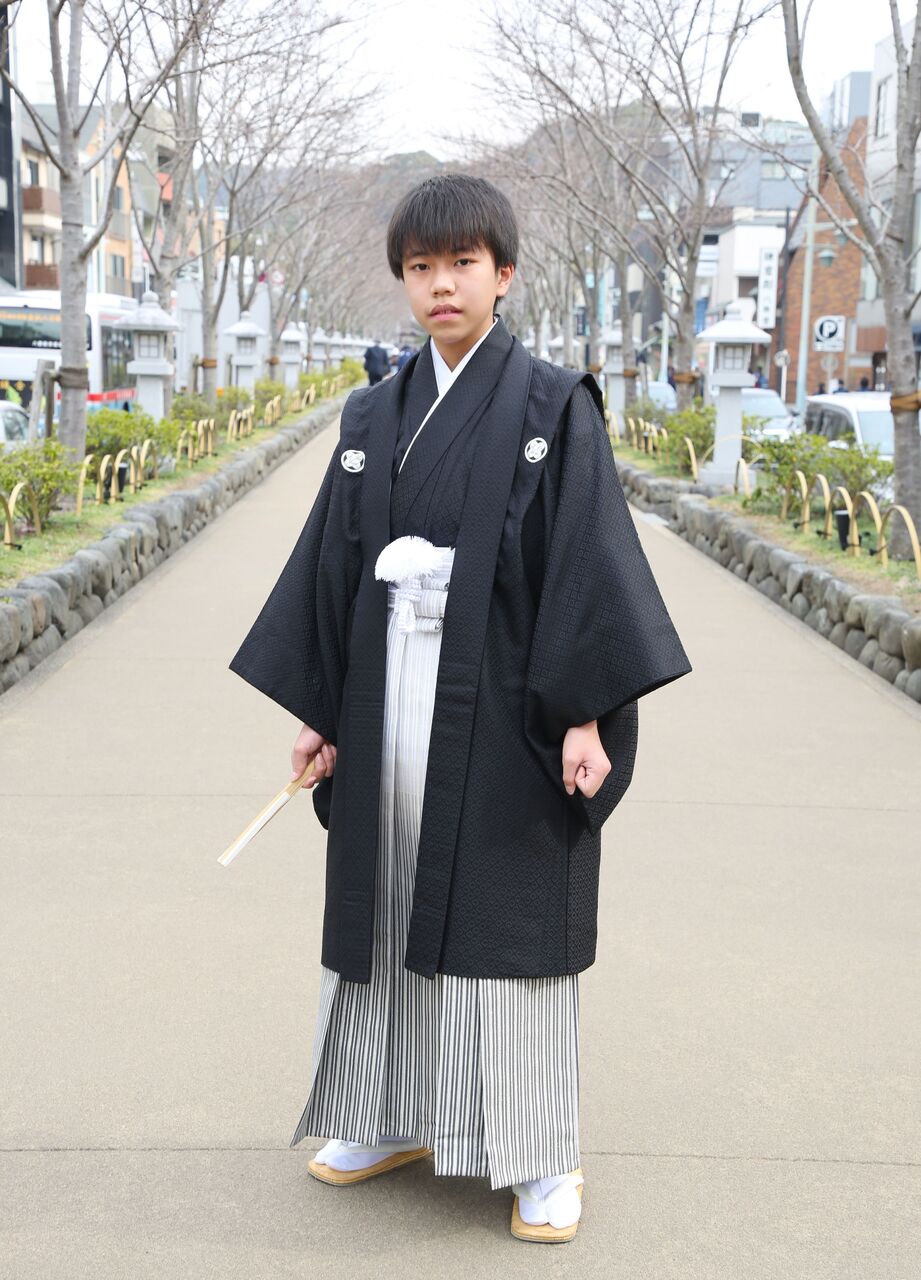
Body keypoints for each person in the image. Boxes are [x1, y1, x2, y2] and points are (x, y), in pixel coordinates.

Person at [229, 174, 691, 1244]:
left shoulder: (552, 406)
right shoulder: (372, 413)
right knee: (387, 895)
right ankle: (386, 1114)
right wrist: (321, 707)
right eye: (421, 266)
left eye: (463, 264)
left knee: (502, 912)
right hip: (385, 692)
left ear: (504, 274)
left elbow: (586, 562)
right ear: (404, 279)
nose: (442, 284)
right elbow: (334, 564)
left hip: (507, 701)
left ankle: (539, 1151)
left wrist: (585, 715)